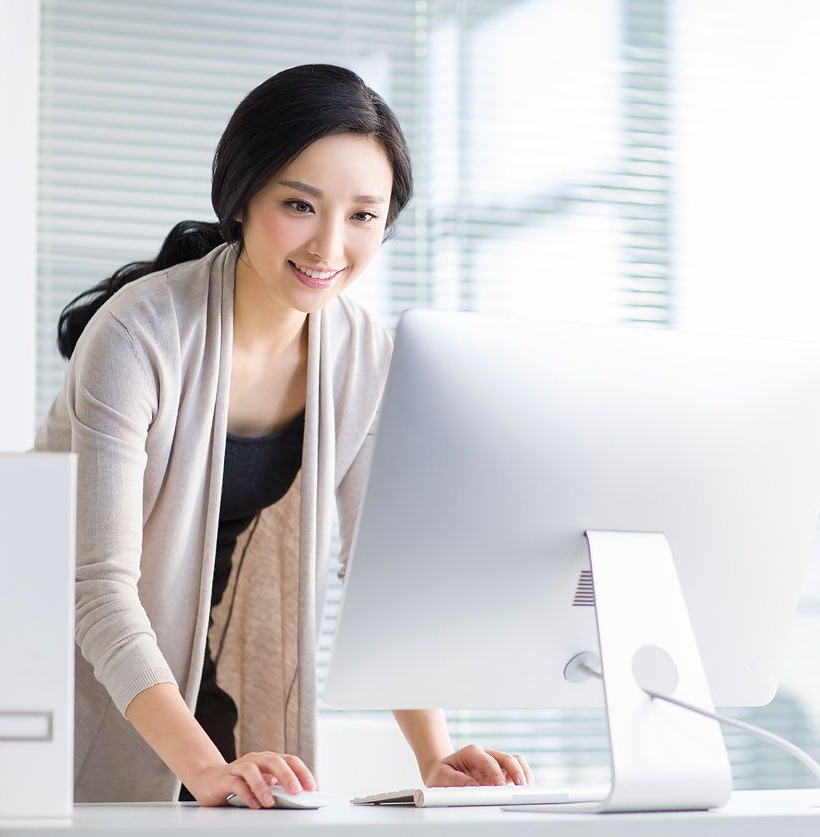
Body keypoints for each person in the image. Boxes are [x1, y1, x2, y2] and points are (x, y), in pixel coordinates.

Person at [33, 63, 532, 808]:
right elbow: (96, 589)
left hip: (185, 678)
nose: (329, 245)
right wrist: (202, 767)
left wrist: (435, 754)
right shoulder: (139, 333)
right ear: (240, 200)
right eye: (299, 204)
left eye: (363, 215)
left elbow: (376, 570)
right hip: (50, 668)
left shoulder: (363, 353)